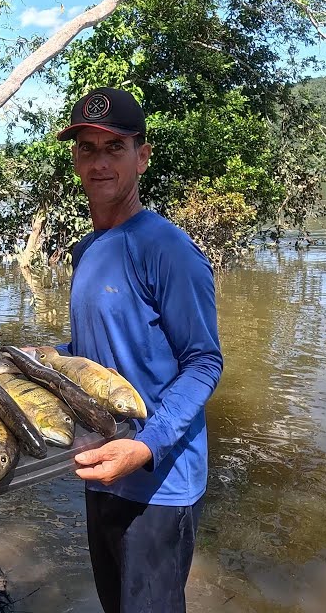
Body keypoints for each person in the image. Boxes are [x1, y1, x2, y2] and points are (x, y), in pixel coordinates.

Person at [55, 87, 223, 613]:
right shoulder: (88, 248)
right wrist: (52, 357)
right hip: (103, 464)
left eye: (115, 148)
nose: (99, 163)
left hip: (158, 481)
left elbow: (204, 362)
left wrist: (146, 446)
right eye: (87, 148)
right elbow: (100, 355)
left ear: (142, 155)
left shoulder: (167, 250)